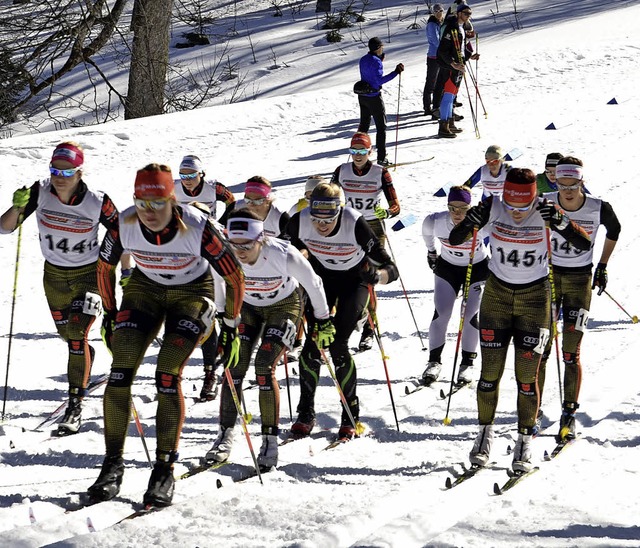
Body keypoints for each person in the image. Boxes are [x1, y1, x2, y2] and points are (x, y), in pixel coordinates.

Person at [87, 163, 245, 507]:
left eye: (158, 203)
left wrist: (231, 325)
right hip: (145, 290)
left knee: (166, 375)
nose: (150, 212)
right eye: (142, 203)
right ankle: (112, 465)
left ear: (173, 201)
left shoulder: (198, 226)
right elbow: (104, 269)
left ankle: (163, 469)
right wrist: (111, 315)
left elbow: (234, 277)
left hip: (193, 293)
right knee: (118, 375)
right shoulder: (123, 224)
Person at [449, 168, 590, 474]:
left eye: (522, 208)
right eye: (511, 207)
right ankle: (483, 435)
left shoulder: (544, 208)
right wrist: (471, 222)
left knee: (527, 378)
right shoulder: (492, 206)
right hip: (496, 298)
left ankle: (525, 439)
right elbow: (456, 237)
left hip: (534, 301)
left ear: (533, 199)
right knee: (489, 375)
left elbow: (583, 244)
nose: (515, 214)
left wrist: (562, 221)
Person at [0, 142, 128, 436]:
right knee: (67, 335)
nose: (60, 177)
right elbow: (5, 228)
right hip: (54, 277)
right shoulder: (39, 191)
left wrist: (125, 272)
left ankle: (75, 405)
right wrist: (19, 206)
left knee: (75, 334)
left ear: (80, 172)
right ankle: (84, 356)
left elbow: (123, 232)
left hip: (89, 276)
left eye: (67, 171)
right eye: (55, 170)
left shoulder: (97, 201)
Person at [205, 209, 332, 469]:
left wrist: (322, 320)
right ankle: (225, 434)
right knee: (234, 367)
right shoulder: (225, 254)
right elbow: (219, 283)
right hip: (247, 307)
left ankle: (269, 440)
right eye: (234, 244)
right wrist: (223, 318)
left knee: (264, 366)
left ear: (261, 239)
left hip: (283, 306)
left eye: (247, 245)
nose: (240, 251)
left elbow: (314, 283)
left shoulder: (283, 254)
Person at [285, 182, 399, 441]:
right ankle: (305, 413)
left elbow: (391, 269)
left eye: (329, 218)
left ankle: (350, 415)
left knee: (337, 345)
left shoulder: (354, 222)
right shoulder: (299, 221)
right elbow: (283, 251)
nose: (321, 225)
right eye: (316, 218)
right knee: (313, 345)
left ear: (340, 211)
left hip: (354, 280)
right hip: (321, 280)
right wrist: (298, 255)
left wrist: (375, 276)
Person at [538, 156, 621, 442]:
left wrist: (603, 265)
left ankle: (569, 413)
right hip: (547, 278)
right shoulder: (544, 201)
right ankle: (532, 410)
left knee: (571, 351)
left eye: (573, 184)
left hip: (579, 280)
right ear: (556, 181)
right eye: (562, 183)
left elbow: (615, 230)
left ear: (581, 181)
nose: (568, 190)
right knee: (540, 347)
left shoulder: (598, 206)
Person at [330, 131, 401, 352]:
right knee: (341, 276)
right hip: (348, 226)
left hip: (372, 227)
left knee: (369, 280)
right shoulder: (341, 170)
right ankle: (345, 325)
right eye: (354, 151)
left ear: (370, 151)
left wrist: (387, 213)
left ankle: (370, 330)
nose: (358, 155)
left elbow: (396, 206)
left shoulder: (381, 172)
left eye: (362, 151)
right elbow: (329, 195)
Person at [175, 154, 236, 402]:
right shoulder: (174, 189)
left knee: (215, 314)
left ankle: (218, 362)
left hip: (211, 245)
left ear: (202, 174)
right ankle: (198, 371)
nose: (187, 181)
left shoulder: (213, 188)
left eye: (192, 175)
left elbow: (232, 201)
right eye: (183, 176)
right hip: (185, 249)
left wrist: (220, 222)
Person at [420, 186, 489, 385]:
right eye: (452, 208)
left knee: (469, 314)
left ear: (470, 207)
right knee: (442, 312)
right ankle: (434, 362)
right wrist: (431, 253)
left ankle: (467, 363)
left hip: (476, 268)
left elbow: (499, 232)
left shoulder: (479, 223)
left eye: (463, 209)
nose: (457, 213)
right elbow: (427, 234)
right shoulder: (435, 221)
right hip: (448, 268)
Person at [286, 175, 326, 362]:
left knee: (323, 300)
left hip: (326, 261)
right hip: (305, 261)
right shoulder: (298, 208)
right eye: (308, 196)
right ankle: (297, 342)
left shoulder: (333, 208)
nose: (311, 201)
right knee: (301, 301)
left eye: (315, 196)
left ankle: (320, 340)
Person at [357, 37, 404, 166]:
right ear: (378, 48)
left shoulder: (363, 59)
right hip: (374, 97)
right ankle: (381, 158)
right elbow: (379, 81)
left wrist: (378, 60)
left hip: (363, 96)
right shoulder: (376, 62)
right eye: (381, 47)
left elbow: (368, 74)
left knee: (364, 126)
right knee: (381, 127)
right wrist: (395, 72)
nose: (383, 49)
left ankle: (359, 154)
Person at [435, 3, 479, 139]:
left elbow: (459, 49)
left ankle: (450, 123)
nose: (468, 16)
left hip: (458, 65)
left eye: (470, 14)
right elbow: (442, 51)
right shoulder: (451, 27)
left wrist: (469, 56)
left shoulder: (461, 28)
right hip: (450, 67)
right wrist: (453, 64)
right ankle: (443, 126)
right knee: (448, 96)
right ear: (459, 13)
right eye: (466, 13)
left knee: (452, 96)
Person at [219, 175, 290, 238]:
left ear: (267, 200)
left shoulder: (280, 218)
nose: (251, 204)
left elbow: (291, 247)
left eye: (258, 201)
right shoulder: (235, 207)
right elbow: (219, 229)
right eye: (247, 200)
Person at [423, 4, 445, 116]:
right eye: (436, 11)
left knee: (440, 82)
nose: (439, 13)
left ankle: (437, 105)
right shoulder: (432, 24)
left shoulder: (441, 23)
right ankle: (427, 106)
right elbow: (436, 41)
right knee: (431, 82)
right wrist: (446, 47)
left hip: (441, 56)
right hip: (434, 56)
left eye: (441, 11)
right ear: (433, 13)